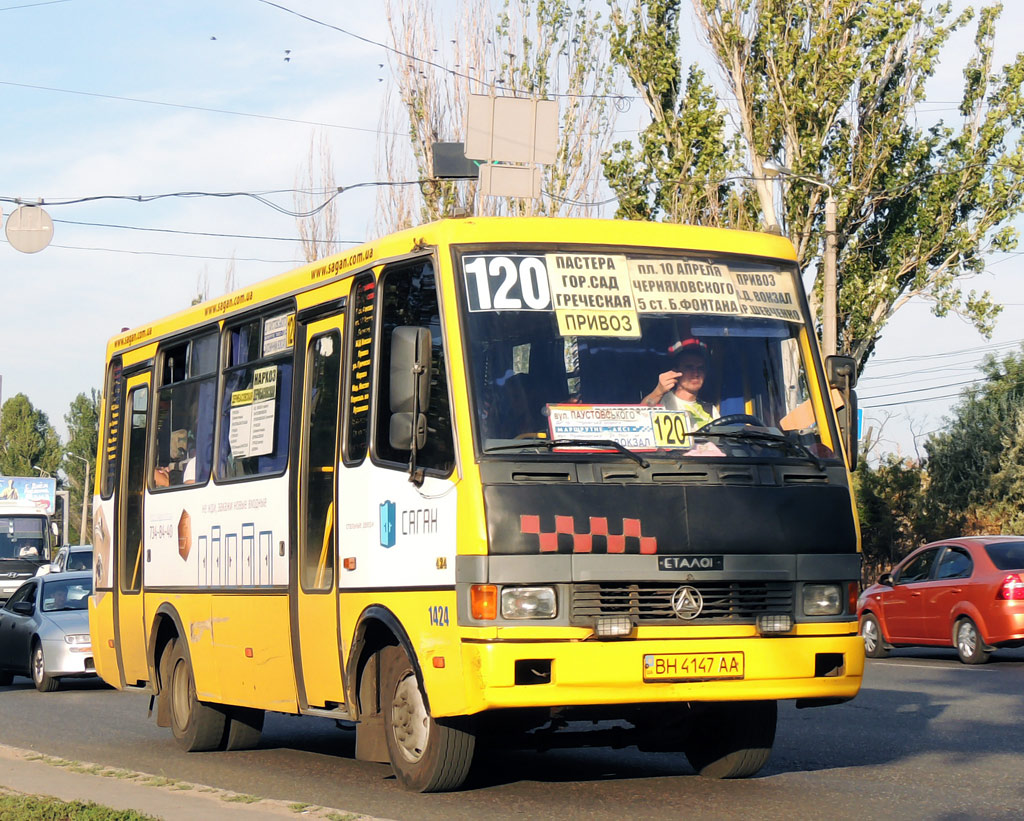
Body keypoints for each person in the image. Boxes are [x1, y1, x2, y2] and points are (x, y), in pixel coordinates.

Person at [642, 338, 715, 429]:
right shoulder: (662, 401)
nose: (696, 373)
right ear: (675, 371)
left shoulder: (710, 410)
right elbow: (640, 415)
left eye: (700, 368)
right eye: (689, 367)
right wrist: (658, 391)